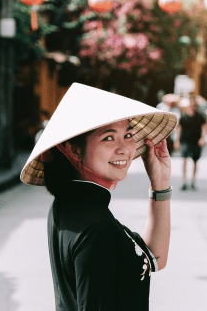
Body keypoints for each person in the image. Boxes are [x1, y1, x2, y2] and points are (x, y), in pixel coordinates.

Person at [20, 83, 177, 310]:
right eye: (109, 138)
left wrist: (160, 185)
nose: (125, 148)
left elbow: (152, 259)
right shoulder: (96, 226)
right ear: (74, 150)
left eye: (128, 134)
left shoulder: (69, 204)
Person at [174, 95, 207, 191]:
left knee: (195, 161)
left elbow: (204, 128)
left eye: (195, 106)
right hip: (185, 141)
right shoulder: (184, 116)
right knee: (184, 161)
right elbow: (179, 129)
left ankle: (193, 181)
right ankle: (184, 181)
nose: (193, 107)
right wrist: (177, 141)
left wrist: (202, 138)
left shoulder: (200, 116)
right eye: (192, 105)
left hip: (196, 142)